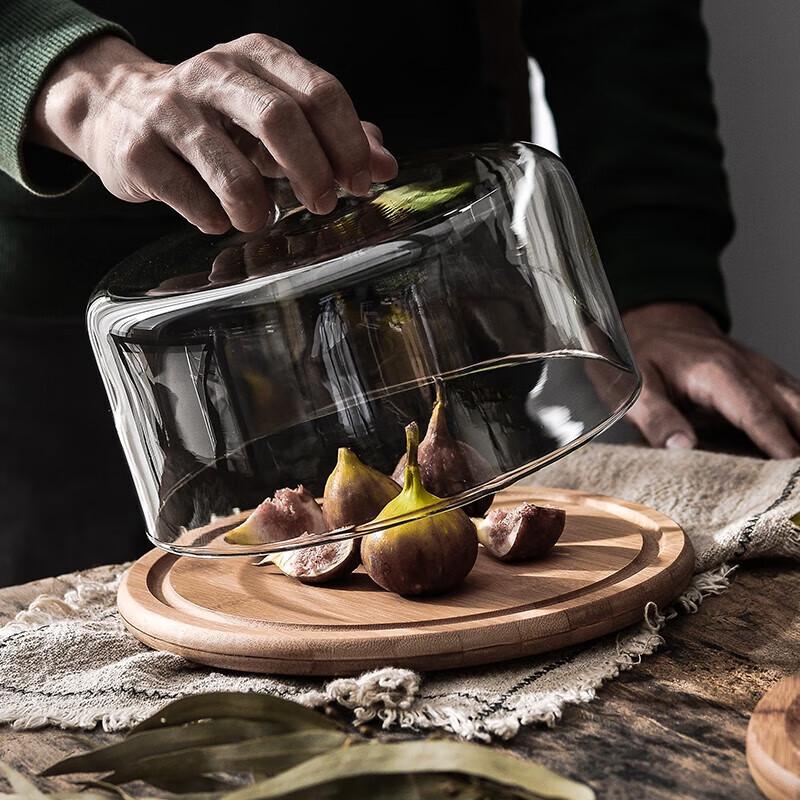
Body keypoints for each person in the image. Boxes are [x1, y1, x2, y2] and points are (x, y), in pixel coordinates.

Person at [1, 0, 798, 585]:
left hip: (431, 274)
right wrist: (61, 73)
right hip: (71, 350)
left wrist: (658, 279)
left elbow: (618, 20)